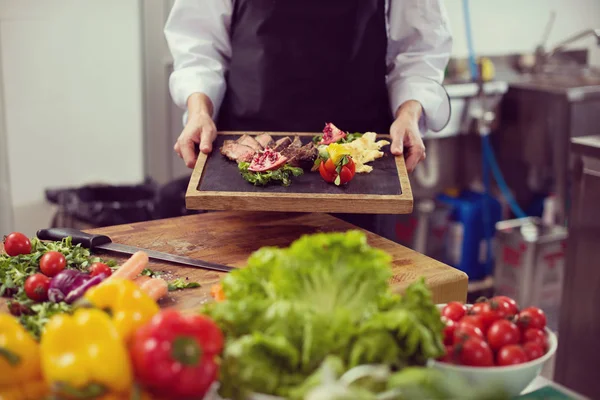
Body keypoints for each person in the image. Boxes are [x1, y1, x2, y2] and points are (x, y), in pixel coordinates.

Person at [161, 0, 452, 233]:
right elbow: (198, 45)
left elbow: (418, 52)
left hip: (356, 170)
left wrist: (409, 114)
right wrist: (200, 111)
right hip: (245, 164)